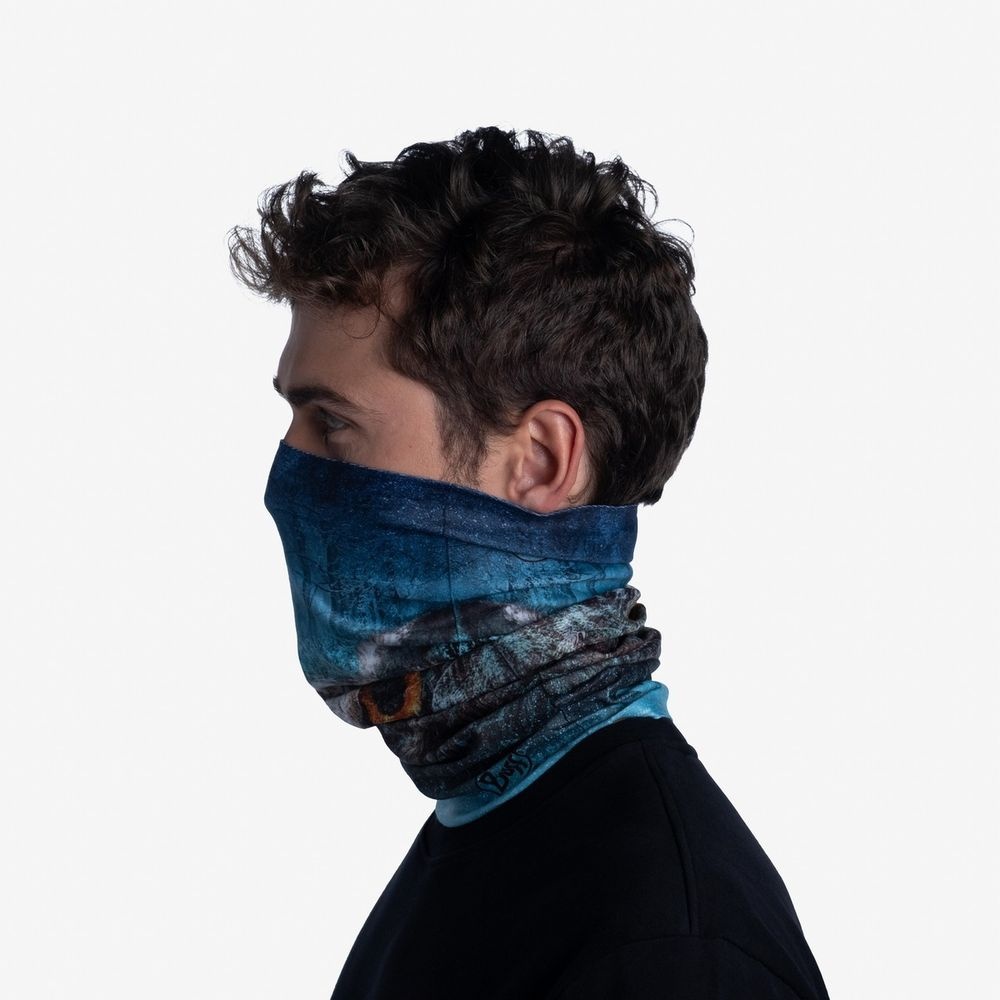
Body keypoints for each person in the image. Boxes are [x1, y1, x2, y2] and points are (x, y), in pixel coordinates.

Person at [227, 126, 831, 999]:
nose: (286, 479)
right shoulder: (492, 823)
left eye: (334, 424)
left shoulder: (669, 950)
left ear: (543, 460)